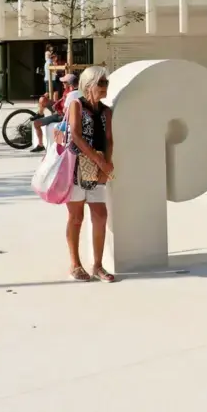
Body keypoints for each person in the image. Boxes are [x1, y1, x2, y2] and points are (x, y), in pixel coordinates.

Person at [65, 66, 116, 282]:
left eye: (106, 83)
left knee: (100, 215)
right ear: (89, 85)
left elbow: (109, 140)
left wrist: (107, 164)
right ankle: (75, 264)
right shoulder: (76, 105)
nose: (105, 87)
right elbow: (76, 136)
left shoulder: (106, 111)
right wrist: (99, 161)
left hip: (98, 168)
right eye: (101, 83)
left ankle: (98, 265)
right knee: (76, 217)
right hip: (77, 166)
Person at [32, 73, 77, 152]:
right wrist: (57, 103)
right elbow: (63, 100)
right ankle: (40, 114)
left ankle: (55, 150)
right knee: (42, 99)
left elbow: (65, 110)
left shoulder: (72, 94)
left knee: (37, 123)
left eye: (64, 82)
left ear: (69, 83)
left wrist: (59, 107)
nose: (62, 83)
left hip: (62, 115)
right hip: (60, 111)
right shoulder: (67, 90)